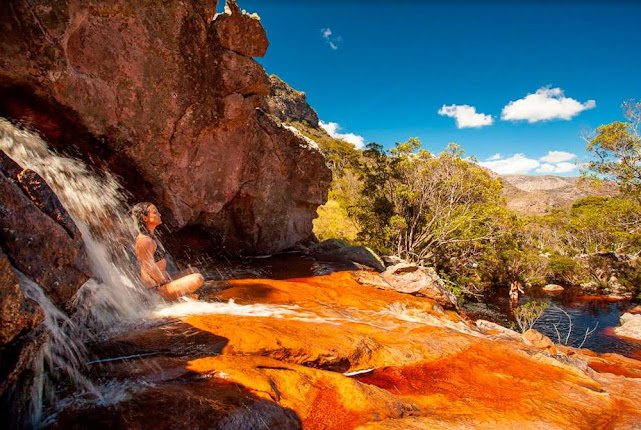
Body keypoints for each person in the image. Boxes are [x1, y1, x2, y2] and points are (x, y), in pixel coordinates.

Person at [132, 202, 204, 300]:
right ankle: (179, 299)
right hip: (154, 290)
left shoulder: (152, 236)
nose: (159, 215)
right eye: (155, 213)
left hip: (163, 282)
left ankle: (184, 298)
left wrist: (167, 280)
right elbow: (148, 268)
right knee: (197, 279)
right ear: (145, 218)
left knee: (194, 270)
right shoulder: (144, 240)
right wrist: (165, 281)